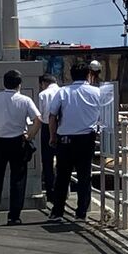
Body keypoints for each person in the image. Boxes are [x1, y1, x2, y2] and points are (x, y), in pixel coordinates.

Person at [0, 69, 41, 227]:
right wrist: (29, 136)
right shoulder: (25, 100)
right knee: (18, 179)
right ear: (19, 84)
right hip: (18, 141)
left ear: (4, 83)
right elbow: (38, 120)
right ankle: (14, 217)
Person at [47, 61, 102, 221]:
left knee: (62, 176)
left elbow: (52, 116)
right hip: (87, 138)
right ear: (88, 74)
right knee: (85, 176)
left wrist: (52, 136)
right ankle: (81, 212)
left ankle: (57, 211)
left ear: (71, 76)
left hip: (65, 139)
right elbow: (104, 115)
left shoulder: (63, 92)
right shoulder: (97, 92)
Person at [36, 72, 60, 201]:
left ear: (44, 83)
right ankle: (62, 191)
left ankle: (50, 192)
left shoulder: (43, 94)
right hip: (62, 127)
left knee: (47, 161)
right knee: (63, 161)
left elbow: (39, 115)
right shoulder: (63, 92)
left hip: (46, 128)